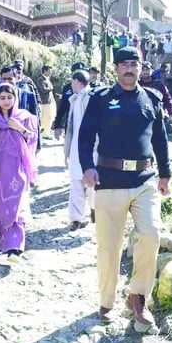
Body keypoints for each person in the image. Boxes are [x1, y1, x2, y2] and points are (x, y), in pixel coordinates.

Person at [79, 46, 171, 334]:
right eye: (124, 64)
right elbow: (84, 136)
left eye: (135, 63)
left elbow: (160, 139)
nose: (130, 68)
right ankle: (106, 301)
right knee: (109, 248)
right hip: (109, 180)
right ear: (116, 68)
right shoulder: (101, 99)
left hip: (144, 180)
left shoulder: (152, 98)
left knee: (151, 234)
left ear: (141, 67)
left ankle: (138, 296)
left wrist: (165, 173)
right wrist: (87, 167)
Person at [0, 83, 38, 263]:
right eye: (2, 98)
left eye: (9, 97)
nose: (6, 101)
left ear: (15, 98)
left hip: (18, 168)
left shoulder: (25, 118)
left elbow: (33, 139)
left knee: (17, 204)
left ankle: (15, 248)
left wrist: (19, 128)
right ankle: (2, 240)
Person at [64, 70, 95, 231]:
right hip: (76, 146)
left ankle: (95, 210)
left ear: (79, 81)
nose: (71, 84)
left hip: (91, 146)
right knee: (76, 181)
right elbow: (71, 126)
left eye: (73, 81)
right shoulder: (74, 99)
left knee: (92, 182)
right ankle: (76, 218)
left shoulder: (91, 96)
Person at [53, 61, 86, 140]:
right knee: (69, 150)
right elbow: (62, 108)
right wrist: (57, 125)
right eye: (77, 72)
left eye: (81, 72)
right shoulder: (67, 88)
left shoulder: (90, 89)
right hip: (71, 123)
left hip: (85, 124)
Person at [36, 64, 55, 136]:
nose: (50, 72)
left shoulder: (48, 79)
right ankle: (43, 134)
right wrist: (51, 88)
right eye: (49, 71)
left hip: (49, 102)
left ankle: (46, 134)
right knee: (43, 118)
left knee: (49, 118)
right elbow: (43, 89)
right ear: (45, 71)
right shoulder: (40, 79)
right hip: (43, 102)